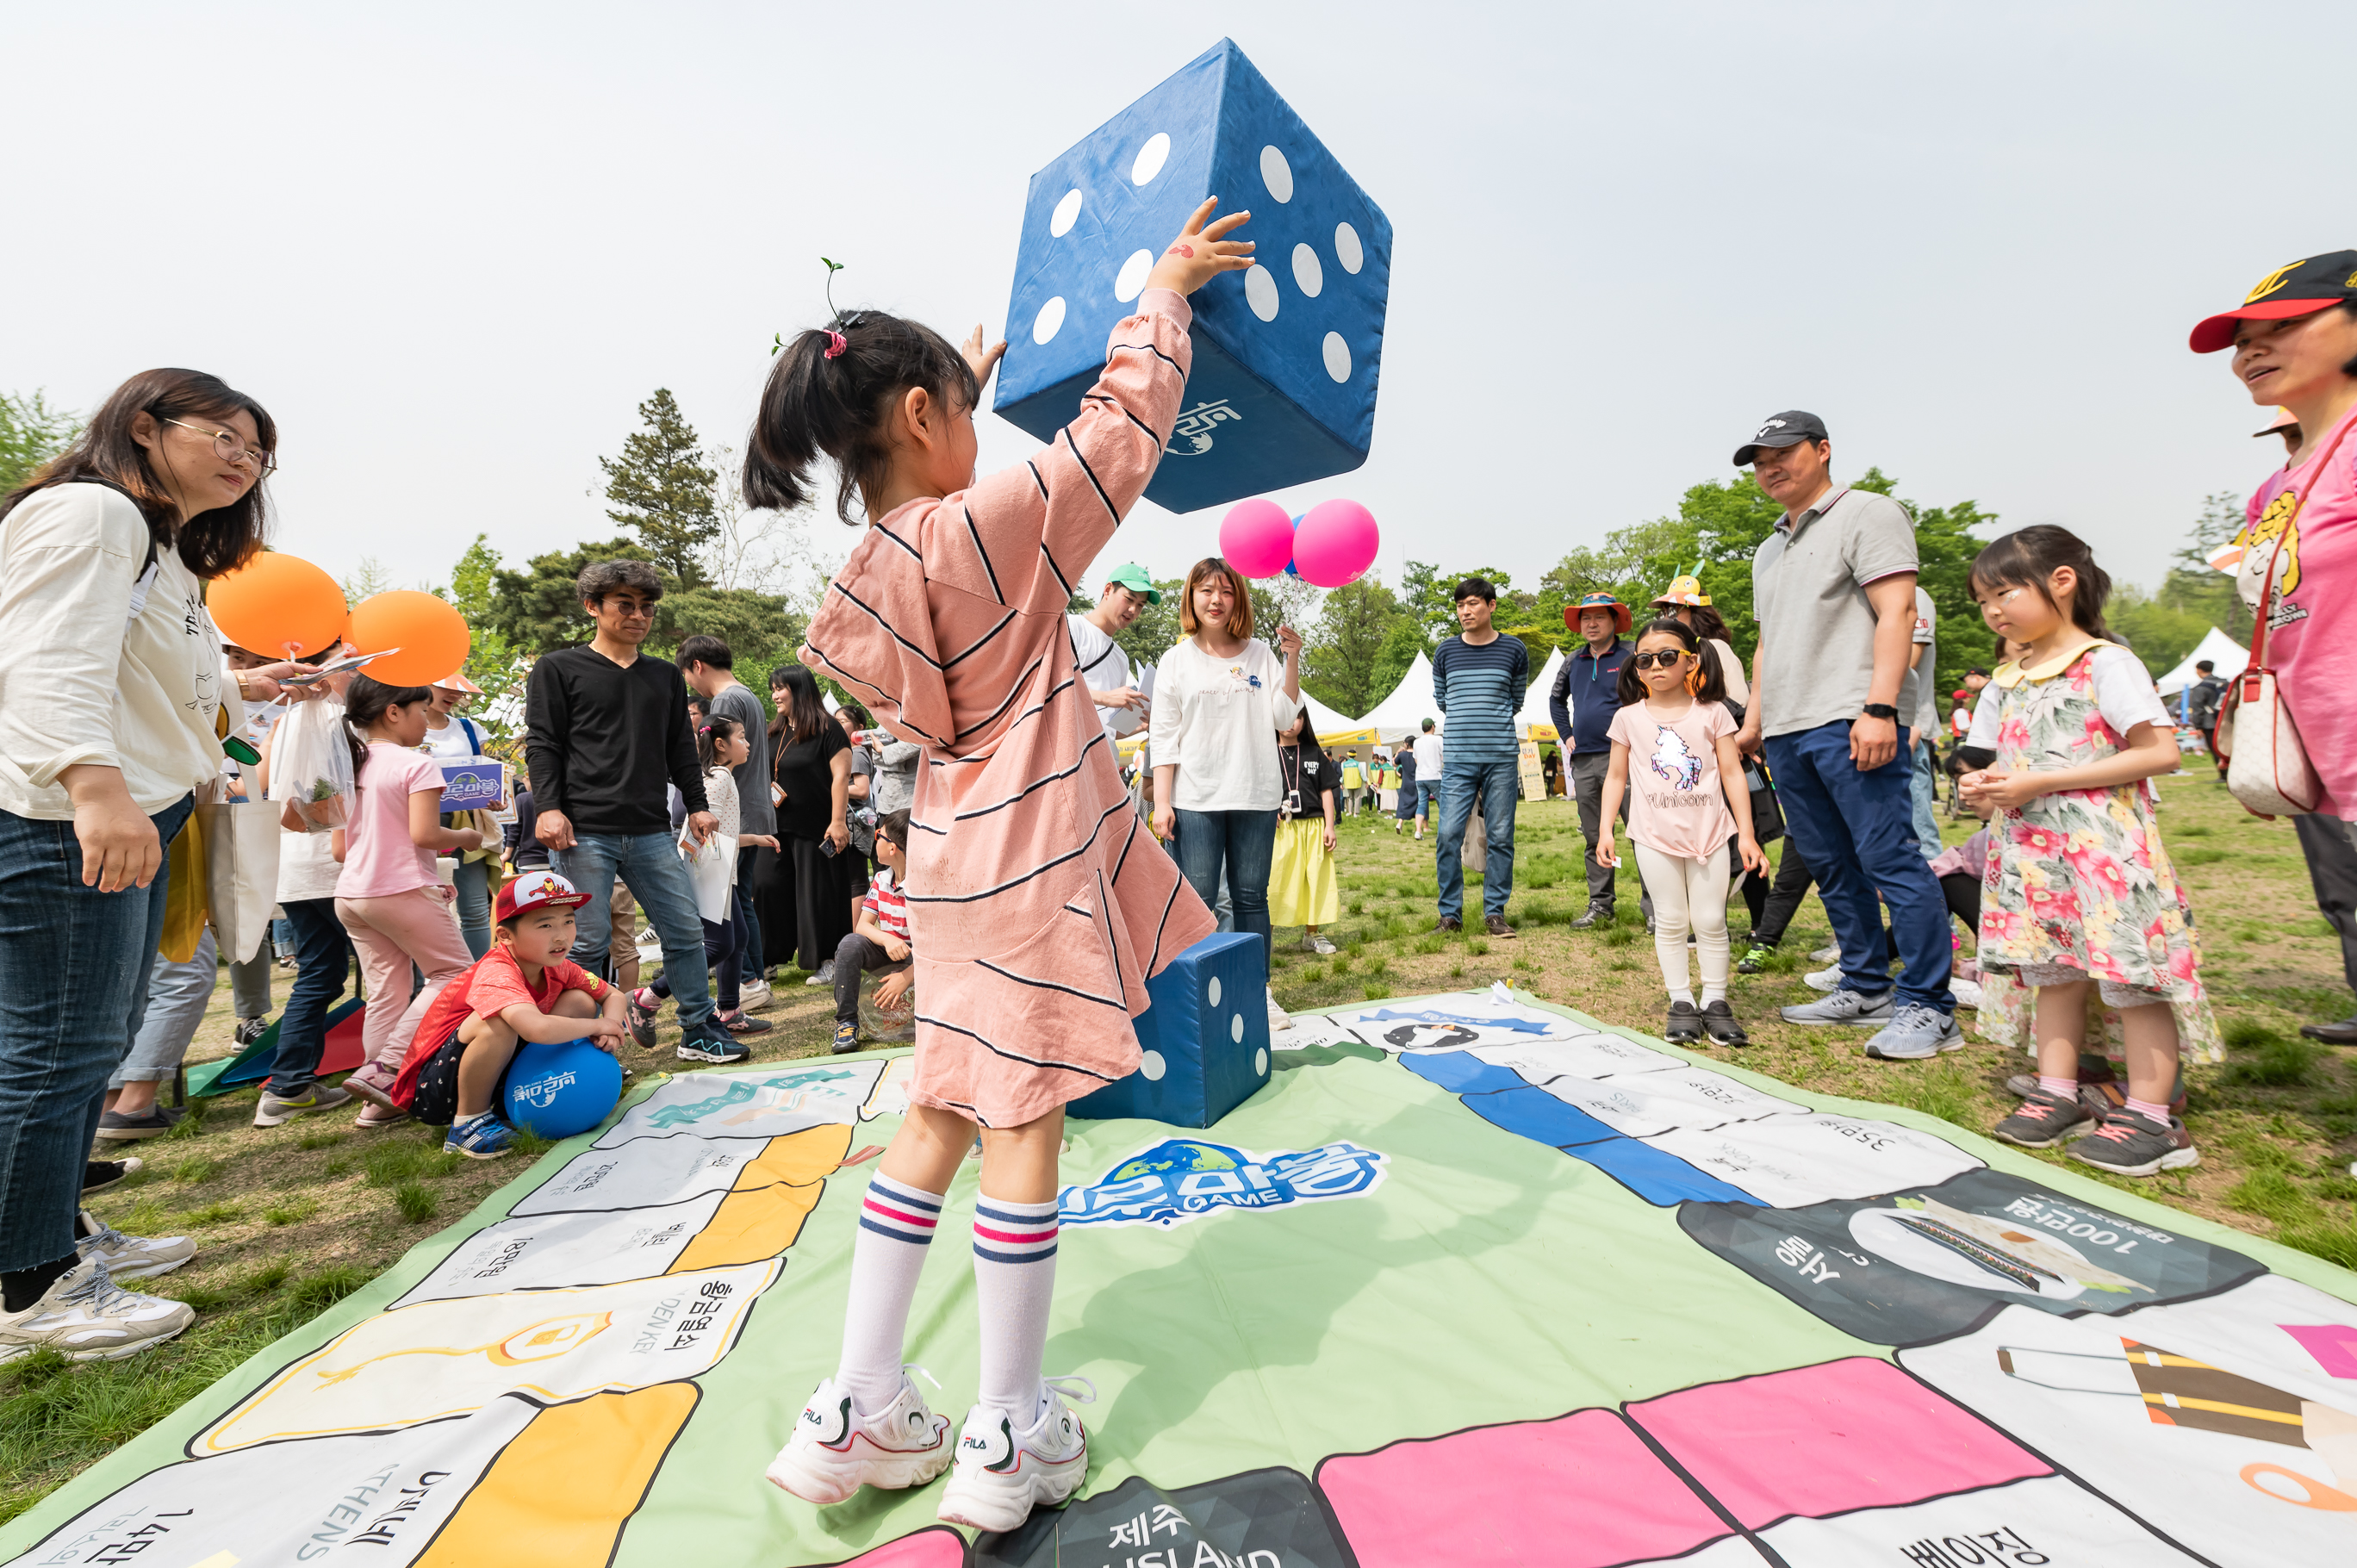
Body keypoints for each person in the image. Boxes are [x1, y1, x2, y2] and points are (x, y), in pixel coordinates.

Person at [754, 201, 1240, 1530]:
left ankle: (855, 1404)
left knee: (937, 1114)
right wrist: (1166, 287)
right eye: (960, 409)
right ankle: (1011, 1427)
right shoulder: (998, 522)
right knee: (1026, 1125)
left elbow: (954, 506)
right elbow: (1122, 425)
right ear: (920, 416)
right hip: (1029, 864)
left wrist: (946, 391)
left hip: (952, 865)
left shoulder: (872, 563)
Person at [1, 368, 295, 1358]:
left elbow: (149, 674)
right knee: (55, 1047)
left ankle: (58, 1237)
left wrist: (248, 682)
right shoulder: (94, 511)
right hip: (61, 815)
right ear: (144, 425)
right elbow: (46, 658)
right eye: (222, 432)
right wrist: (93, 786)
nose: (242, 457)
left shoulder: (161, 548)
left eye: (256, 449)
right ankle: (24, 1288)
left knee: (95, 1036)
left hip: (135, 809)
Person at [1962, 526, 2219, 1176]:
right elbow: (1999, 763)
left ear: (2062, 582)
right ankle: (2058, 1090)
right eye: (1983, 599)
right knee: (2052, 968)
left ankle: (2155, 1115)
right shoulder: (2008, 679)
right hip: (2030, 852)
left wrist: (2042, 780)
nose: (1993, 610)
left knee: (2131, 975)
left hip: (2102, 848)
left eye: (2004, 592)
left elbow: (2160, 751)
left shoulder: (2105, 662)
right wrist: (1984, 789)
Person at [1727, 410, 1956, 1060]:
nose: (1769, 466)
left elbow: (1898, 611)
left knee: (1890, 857)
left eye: (1783, 452)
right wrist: (1755, 722)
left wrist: (1880, 707)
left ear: (1823, 451)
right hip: (1790, 728)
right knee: (1829, 863)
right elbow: (1769, 644)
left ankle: (1929, 1004)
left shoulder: (1869, 514)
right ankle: (1864, 985)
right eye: (1759, 459)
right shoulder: (1769, 548)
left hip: (1851, 714)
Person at [525, 560, 743, 1064]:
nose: (638, 615)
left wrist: (698, 806)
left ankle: (697, 1029)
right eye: (625, 604)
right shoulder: (558, 669)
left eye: (647, 607)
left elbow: (680, 750)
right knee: (586, 942)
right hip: (583, 831)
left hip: (650, 829)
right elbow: (543, 744)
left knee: (686, 931)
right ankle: (583, 1043)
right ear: (593, 607)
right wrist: (549, 807)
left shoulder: (664, 676)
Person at [2195, 252, 2357, 824]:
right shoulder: (2273, 490)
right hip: (2335, 763)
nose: (2250, 352)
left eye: (2284, 325)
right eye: (2242, 340)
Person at [1151, 556, 1305, 1030]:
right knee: (1196, 899)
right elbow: (1164, 736)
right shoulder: (1175, 660)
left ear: (1238, 598)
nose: (1216, 600)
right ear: (1191, 598)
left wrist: (1292, 658)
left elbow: (1285, 721)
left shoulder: (1261, 654)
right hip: (1194, 799)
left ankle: (1258, 992)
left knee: (1251, 898)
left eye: (1226, 591)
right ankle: (1198, 996)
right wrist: (1161, 803)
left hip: (1256, 794)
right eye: (1206, 591)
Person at [1595, 619, 1766, 1045]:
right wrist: (1605, 831)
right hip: (1653, 837)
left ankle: (1715, 1001)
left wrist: (1747, 834)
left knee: (1710, 920)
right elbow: (1615, 777)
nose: (1657, 665)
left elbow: (1732, 772)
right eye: (1646, 659)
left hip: (1712, 833)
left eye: (1668, 656)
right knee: (1670, 921)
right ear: (1636, 668)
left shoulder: (1714, 713)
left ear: (1690, 661)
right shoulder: (1627, 718)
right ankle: (1681, 1002)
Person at [384, 871, 630, 1160]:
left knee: (580, 1001)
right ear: (505, 936)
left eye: (568, 921)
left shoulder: (556, 964)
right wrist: (600, 1025)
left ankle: (538, 1084)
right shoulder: (496, 971)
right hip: (434, 1090)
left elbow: (610, 995)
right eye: (545, 925)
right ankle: (467, 1123)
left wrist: (609, 1027)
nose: (561, 935)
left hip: (497, 1068)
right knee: (498, 1022)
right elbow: (536, 1029)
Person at [333, 675, 487, 1118]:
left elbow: (340, 849)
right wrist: (465, 835)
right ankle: (385, 1069)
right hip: (398, 889)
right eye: (422, 710)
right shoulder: (416, 764)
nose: (427, 719)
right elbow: (424, 833)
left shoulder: (349, 765)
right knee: (455, 975)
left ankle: (379, 1103)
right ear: (394, 712)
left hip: (353, 895)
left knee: (387, 993)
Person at [254, 662, 362, 1129]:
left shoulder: (281, 723)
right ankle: (399, 1073)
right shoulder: (352, 724)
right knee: (397, 969)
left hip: (294, 868)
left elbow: (256, 786)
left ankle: (287, 1086)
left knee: (319, 974)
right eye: (351, 668)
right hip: (340, 867)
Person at [627, 715, 780, 1039]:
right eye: (742, 737)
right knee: (720, 945)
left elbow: (716, 830)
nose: (749, 743)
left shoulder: (720, 775)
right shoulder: (719, 777)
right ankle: (648, 997)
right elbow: (699, 830)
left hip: (718, 873)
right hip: (711, 875)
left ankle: (729, 1011)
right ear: (721, 744)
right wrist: (700, 872)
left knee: (736, 940)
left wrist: (753, 839)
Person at [1431, 577, 1530, 937]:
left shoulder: (1515, 650)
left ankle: (1495, 913)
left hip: (1501, 757)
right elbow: (1443, 701)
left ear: (1491, 605)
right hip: (1457, 757)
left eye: (1472, 603)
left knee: (1501, 835)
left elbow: (1515, 699)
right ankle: (1450, 915)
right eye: (1460, 606)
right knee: (1447, 834)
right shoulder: (1445, 652)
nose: (1465, 611)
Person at [681, 634, 775, 1005]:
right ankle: (748, 985)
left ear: (698, 666)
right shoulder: (747, 693)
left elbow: (718, 764)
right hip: (749, 811)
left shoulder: (725, 701)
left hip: (734, 817)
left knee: (732, 908)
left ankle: (748, 983)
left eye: (688, 675)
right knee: (739, 904)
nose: (691, 684)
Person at [1551, 591, 1643, 930]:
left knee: (1642, 834)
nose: (1591, 623)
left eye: (1599, 617)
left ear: (1615, 621)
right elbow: (1556, 699)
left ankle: (1655, 907)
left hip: (1629, 758)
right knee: (1594, 836)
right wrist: (1566, 734)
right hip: (1585, 760)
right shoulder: (1573, 660)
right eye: (1585, 618)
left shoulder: (1633, 654)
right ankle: (1601, 905)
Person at [762, 665, 857, 985]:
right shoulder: (775, 730)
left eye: (780, 689)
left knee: (818, 894)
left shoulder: (828, 728)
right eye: (773, 689)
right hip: (776, 825)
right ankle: (769, 957)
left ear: (799, 690)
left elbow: (841, 777)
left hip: (818, 826)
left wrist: (838, 821)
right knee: (765, 885)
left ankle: (829, 959)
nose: (775, 695)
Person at [419, 671, 500, 959]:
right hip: (415, 821)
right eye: (443, 686)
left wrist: (495, 798)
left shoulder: (470, 728)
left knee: (476, 908)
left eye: (459, 689)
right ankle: (426, 983)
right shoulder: (402, 727)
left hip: (466, 822)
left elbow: (489, 776)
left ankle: (475, 978)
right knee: (419, 906)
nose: (453, 694)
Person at [831, 810, 916, 1054]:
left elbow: (939, 947)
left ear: (892, 849)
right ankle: (846, 1021)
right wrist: (888, 939)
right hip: (890, 955)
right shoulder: (881, 879)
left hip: (923, 963)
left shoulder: (924, 885)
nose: (874, 838)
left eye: (879, 835)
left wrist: (908, 976)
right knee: (850, 943)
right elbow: (862, 926)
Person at [1270, 709, 1340, 954]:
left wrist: (1329, 826)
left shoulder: (1314, 753)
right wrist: (1268, 812)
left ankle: (1312, 934)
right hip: (1281, 829)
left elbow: (1327, 791)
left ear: (1304, 722)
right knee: (1275, 880)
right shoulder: (1266, 752)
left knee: (1315, 879)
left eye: (1296, 717)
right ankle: (1264, 935)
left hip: (1314, 827)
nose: (1290, 722)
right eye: (1284, 716)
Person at [1069, 563, 1158, 744]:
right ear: (1108, 590)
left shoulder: (1121, 658)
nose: (1133, 610)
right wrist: (1106, 698)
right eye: (1129, 599)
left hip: (1105, 762)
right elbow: (1050, 689)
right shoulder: (1071, 628)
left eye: (1140, 605)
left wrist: (1141, 726)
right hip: (1070, 759)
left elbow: (1109, 729)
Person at [1648, 571, 1749, 705]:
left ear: (1696, 613)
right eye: (1663, 613)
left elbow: (1740, 701)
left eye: (1673, 611)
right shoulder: (1665, 657)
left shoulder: (1717, 647)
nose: (1666, 618)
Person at [1907, 586, 1942, 860]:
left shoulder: (1913, 595)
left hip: (1906, 724)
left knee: (1920, 835)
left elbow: (1907, 663)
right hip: (1863, 725)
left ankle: (1934, 885)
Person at [2183, 660, 2226, 781]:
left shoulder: (2201, 688)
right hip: (2226, 720)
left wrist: (2198, 726)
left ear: (2199, 670)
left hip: (2209, 722)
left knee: (2216, 749)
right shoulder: (2225, 683)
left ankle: (2224, 775)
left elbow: (2198, 708)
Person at [1410, 718, 1442, 838]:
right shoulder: (1438, 739)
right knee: (1443, 804)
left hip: (1420, 777)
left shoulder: (1417, 742)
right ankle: (1445, 831)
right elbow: (1445, 755)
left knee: (1422, 804)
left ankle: (1418, 831)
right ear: (1433, 726)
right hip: (1435, 776)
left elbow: (1416, 759)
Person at [1394, 736, 1420, 835]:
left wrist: (1398, 752)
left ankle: (1400, 823)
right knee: (1419, 804)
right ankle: (1422, 827)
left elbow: (1395, 763)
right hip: (1417, 782)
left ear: (1406, 744)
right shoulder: (1418, 755)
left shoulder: (1403, 755)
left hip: (1405, 782)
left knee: (1403, 803)